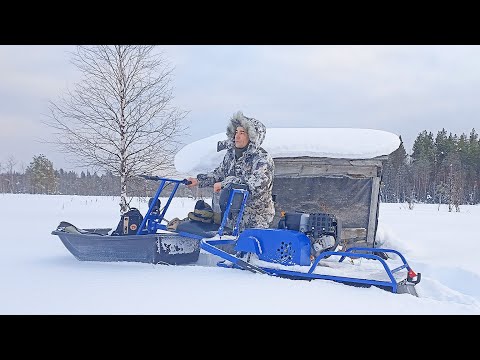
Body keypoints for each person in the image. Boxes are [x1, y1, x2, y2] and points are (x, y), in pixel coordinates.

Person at [187, 110, 275, 230]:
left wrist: (224, 184)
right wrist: (198, 180)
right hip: (232, 216)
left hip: (255, 218)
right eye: (236, 132)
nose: (237, 136)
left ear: (252, 137)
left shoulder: (262, 159)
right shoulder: (231, 155)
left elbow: (256, 187)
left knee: (247, 247)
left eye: (242, 133)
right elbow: (219, 174)